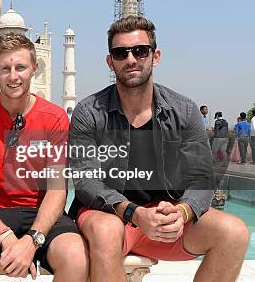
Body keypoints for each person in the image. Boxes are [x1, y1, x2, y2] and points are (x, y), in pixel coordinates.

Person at [68, 16, 249, 282]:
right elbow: (85, 181)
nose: (131, 59)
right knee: (106, 231)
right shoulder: (89, 112)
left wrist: (183, 212)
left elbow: (202, 177)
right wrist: (134, 213)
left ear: (156, 56)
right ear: (111, 62)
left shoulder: (184, 111)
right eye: (121, 53)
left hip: (166, 219)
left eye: (140, 51)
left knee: (233, 232)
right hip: (112, 216)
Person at [0, 33, 88, 282]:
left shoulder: (54, 117)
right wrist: (4, 235)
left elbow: (57, 190)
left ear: (34, 69)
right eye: (5, 68)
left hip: (41, 212)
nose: (13, 76)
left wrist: (32, 240)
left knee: (75, 255)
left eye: (21, 67)